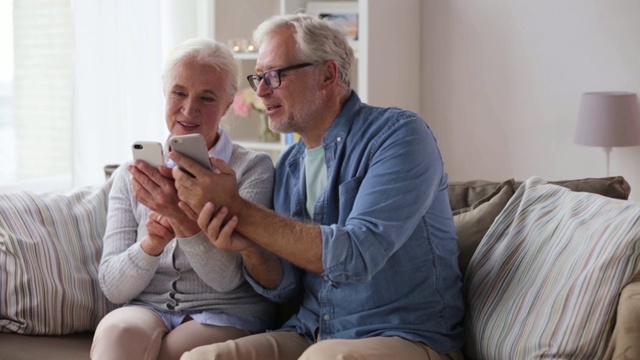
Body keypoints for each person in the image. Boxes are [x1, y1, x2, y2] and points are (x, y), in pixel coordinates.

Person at [173, 14, 465, 360]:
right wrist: (249, 246)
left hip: (404, 335)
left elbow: (357, 255)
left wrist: (238, 206)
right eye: (258, 77)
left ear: (327, 74)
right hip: (311, 331)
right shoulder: (290, 163)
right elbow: (286, 287)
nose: (262, 90)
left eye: (274, 76)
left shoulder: (399, 135)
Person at [90, 38, 276, 360]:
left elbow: (228, 280)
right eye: (179, 93)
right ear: (165, 95)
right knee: (116, 332)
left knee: (178, 350)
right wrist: (150, 245)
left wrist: (180, 219)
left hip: (224, 310)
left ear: (228, 104)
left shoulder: (251, 170)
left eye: (206, 98)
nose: (189, 110)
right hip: (149, 308)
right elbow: (113, 286)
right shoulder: (131, 174)